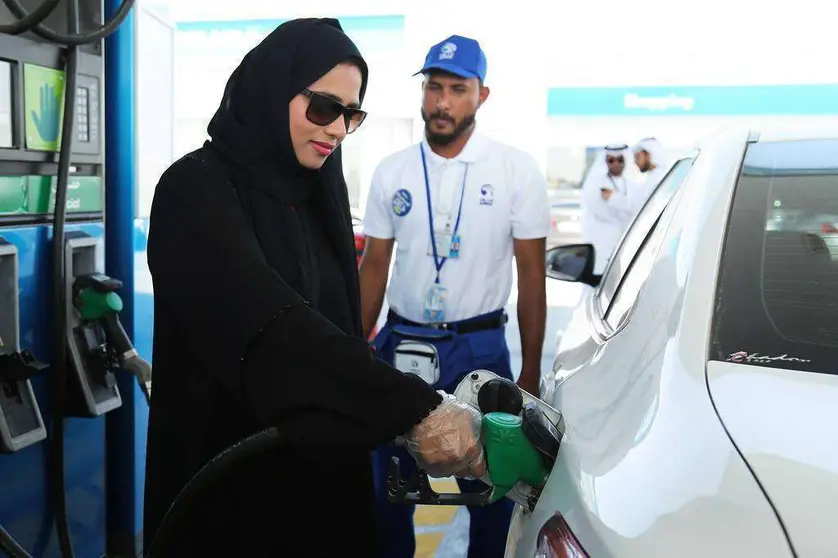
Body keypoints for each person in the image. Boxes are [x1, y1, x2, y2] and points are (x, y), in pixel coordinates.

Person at [142, 18, 488, 558]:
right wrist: (413, 406)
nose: (337, 129)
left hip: (319, 490)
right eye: (324, 108)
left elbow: (340, 332)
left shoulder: (317, 195)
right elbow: (275, 330)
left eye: (351, 115)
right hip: (228, 494)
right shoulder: (195, 191)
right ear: (274, 89)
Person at [358, 34, 551, 558]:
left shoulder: (515, 170)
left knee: (491, 489)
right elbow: (375, 263)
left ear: (481, 96)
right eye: (434, 87)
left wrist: (529, 372)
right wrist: (353, 351)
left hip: (481, 349)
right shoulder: (392, 170)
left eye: (457, 89)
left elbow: (532, 273)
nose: (442, 102)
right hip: (401, 346)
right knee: (389, 488)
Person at [580, 144, 636, 274]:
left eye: (620, 160)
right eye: (611, 160)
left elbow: (637, 208)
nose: (615, 163)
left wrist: (614, 198)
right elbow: (600, 211)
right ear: (605, 162)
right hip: (602, 243)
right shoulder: (596, 185)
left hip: (627, 243)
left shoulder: (633, 185)